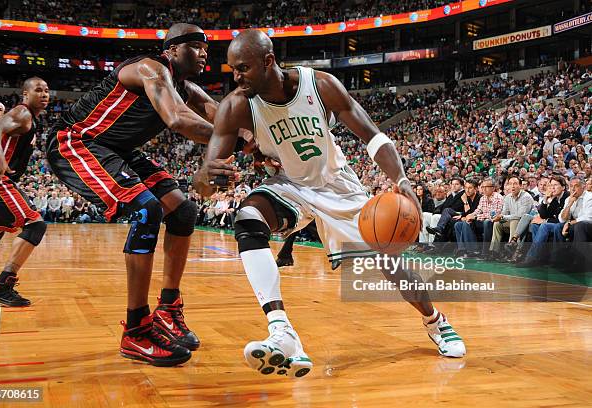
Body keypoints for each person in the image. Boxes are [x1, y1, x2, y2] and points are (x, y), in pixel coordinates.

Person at [193, 30, 465, 378]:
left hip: (338, 186)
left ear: (268, 62)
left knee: (390, 264)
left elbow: (373, 136)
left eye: (242, 68)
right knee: (247, 217)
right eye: (232, 69)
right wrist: (204, 178)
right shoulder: (236, 105)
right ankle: (282, 331)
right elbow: (204, 176)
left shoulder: (319, 85)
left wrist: (401, 181)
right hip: (291, 186)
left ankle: (435, 321)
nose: (236, 77)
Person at [46, 23, 216, 367]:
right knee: (146, 209)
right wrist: (241, 142)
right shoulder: (149, 67)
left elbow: (223, 116)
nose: (203, 55)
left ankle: (168, 309)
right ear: (171, 49)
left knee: (182, 212)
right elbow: (177, 119)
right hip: (77, 142)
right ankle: (136, 331)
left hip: (117, 149)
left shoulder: (189, 89)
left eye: (206, 50)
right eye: (196, 47)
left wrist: (261, 138)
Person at [0, 78, 49, 307]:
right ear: (25, 94)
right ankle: (3, 286)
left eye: (47, 91)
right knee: (35, 224)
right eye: (38, 90)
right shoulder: (23, 112)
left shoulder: (31, 119)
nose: (44, 94)